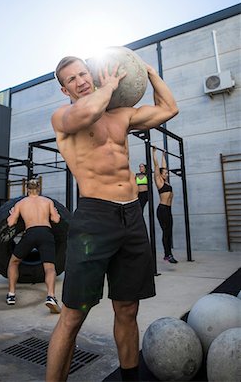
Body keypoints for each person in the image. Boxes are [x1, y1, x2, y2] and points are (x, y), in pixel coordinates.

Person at [46, 55, 179, 382]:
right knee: (74, 315)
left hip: (132, 216)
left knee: (128, 309)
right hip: (94, 219)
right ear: (65, 90)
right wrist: (107, 86)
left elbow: (169, 108)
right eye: (72, 79)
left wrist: (145, 71)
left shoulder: (121, 115)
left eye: (82, 73)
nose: (80, 81)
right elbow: (89, 111)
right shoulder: (64, 116)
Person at [6, 179, 62, 313]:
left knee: (13, 262)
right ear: (39, 188)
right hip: (46, 233)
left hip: (30, 233)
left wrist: (11, 213)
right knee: (49, 268)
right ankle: (51, 296)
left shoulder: (20, 203)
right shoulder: (48, 201)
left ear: (27, 189)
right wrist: (55, 212)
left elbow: (10, 223)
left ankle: (11, 295)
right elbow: (56, 219)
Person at [152, 147, 178, 264]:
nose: (167, 174)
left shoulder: (166, 181)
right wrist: (154, 153)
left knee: (169, 232)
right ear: (160, 175)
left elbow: (163, 166)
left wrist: (163, 155)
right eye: (165, 173)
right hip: (162, 209)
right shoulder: (159, 182)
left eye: (167, 173)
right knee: (166, 232)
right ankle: (167, 255)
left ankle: (168, 254)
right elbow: (157, 167)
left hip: (168, 209)